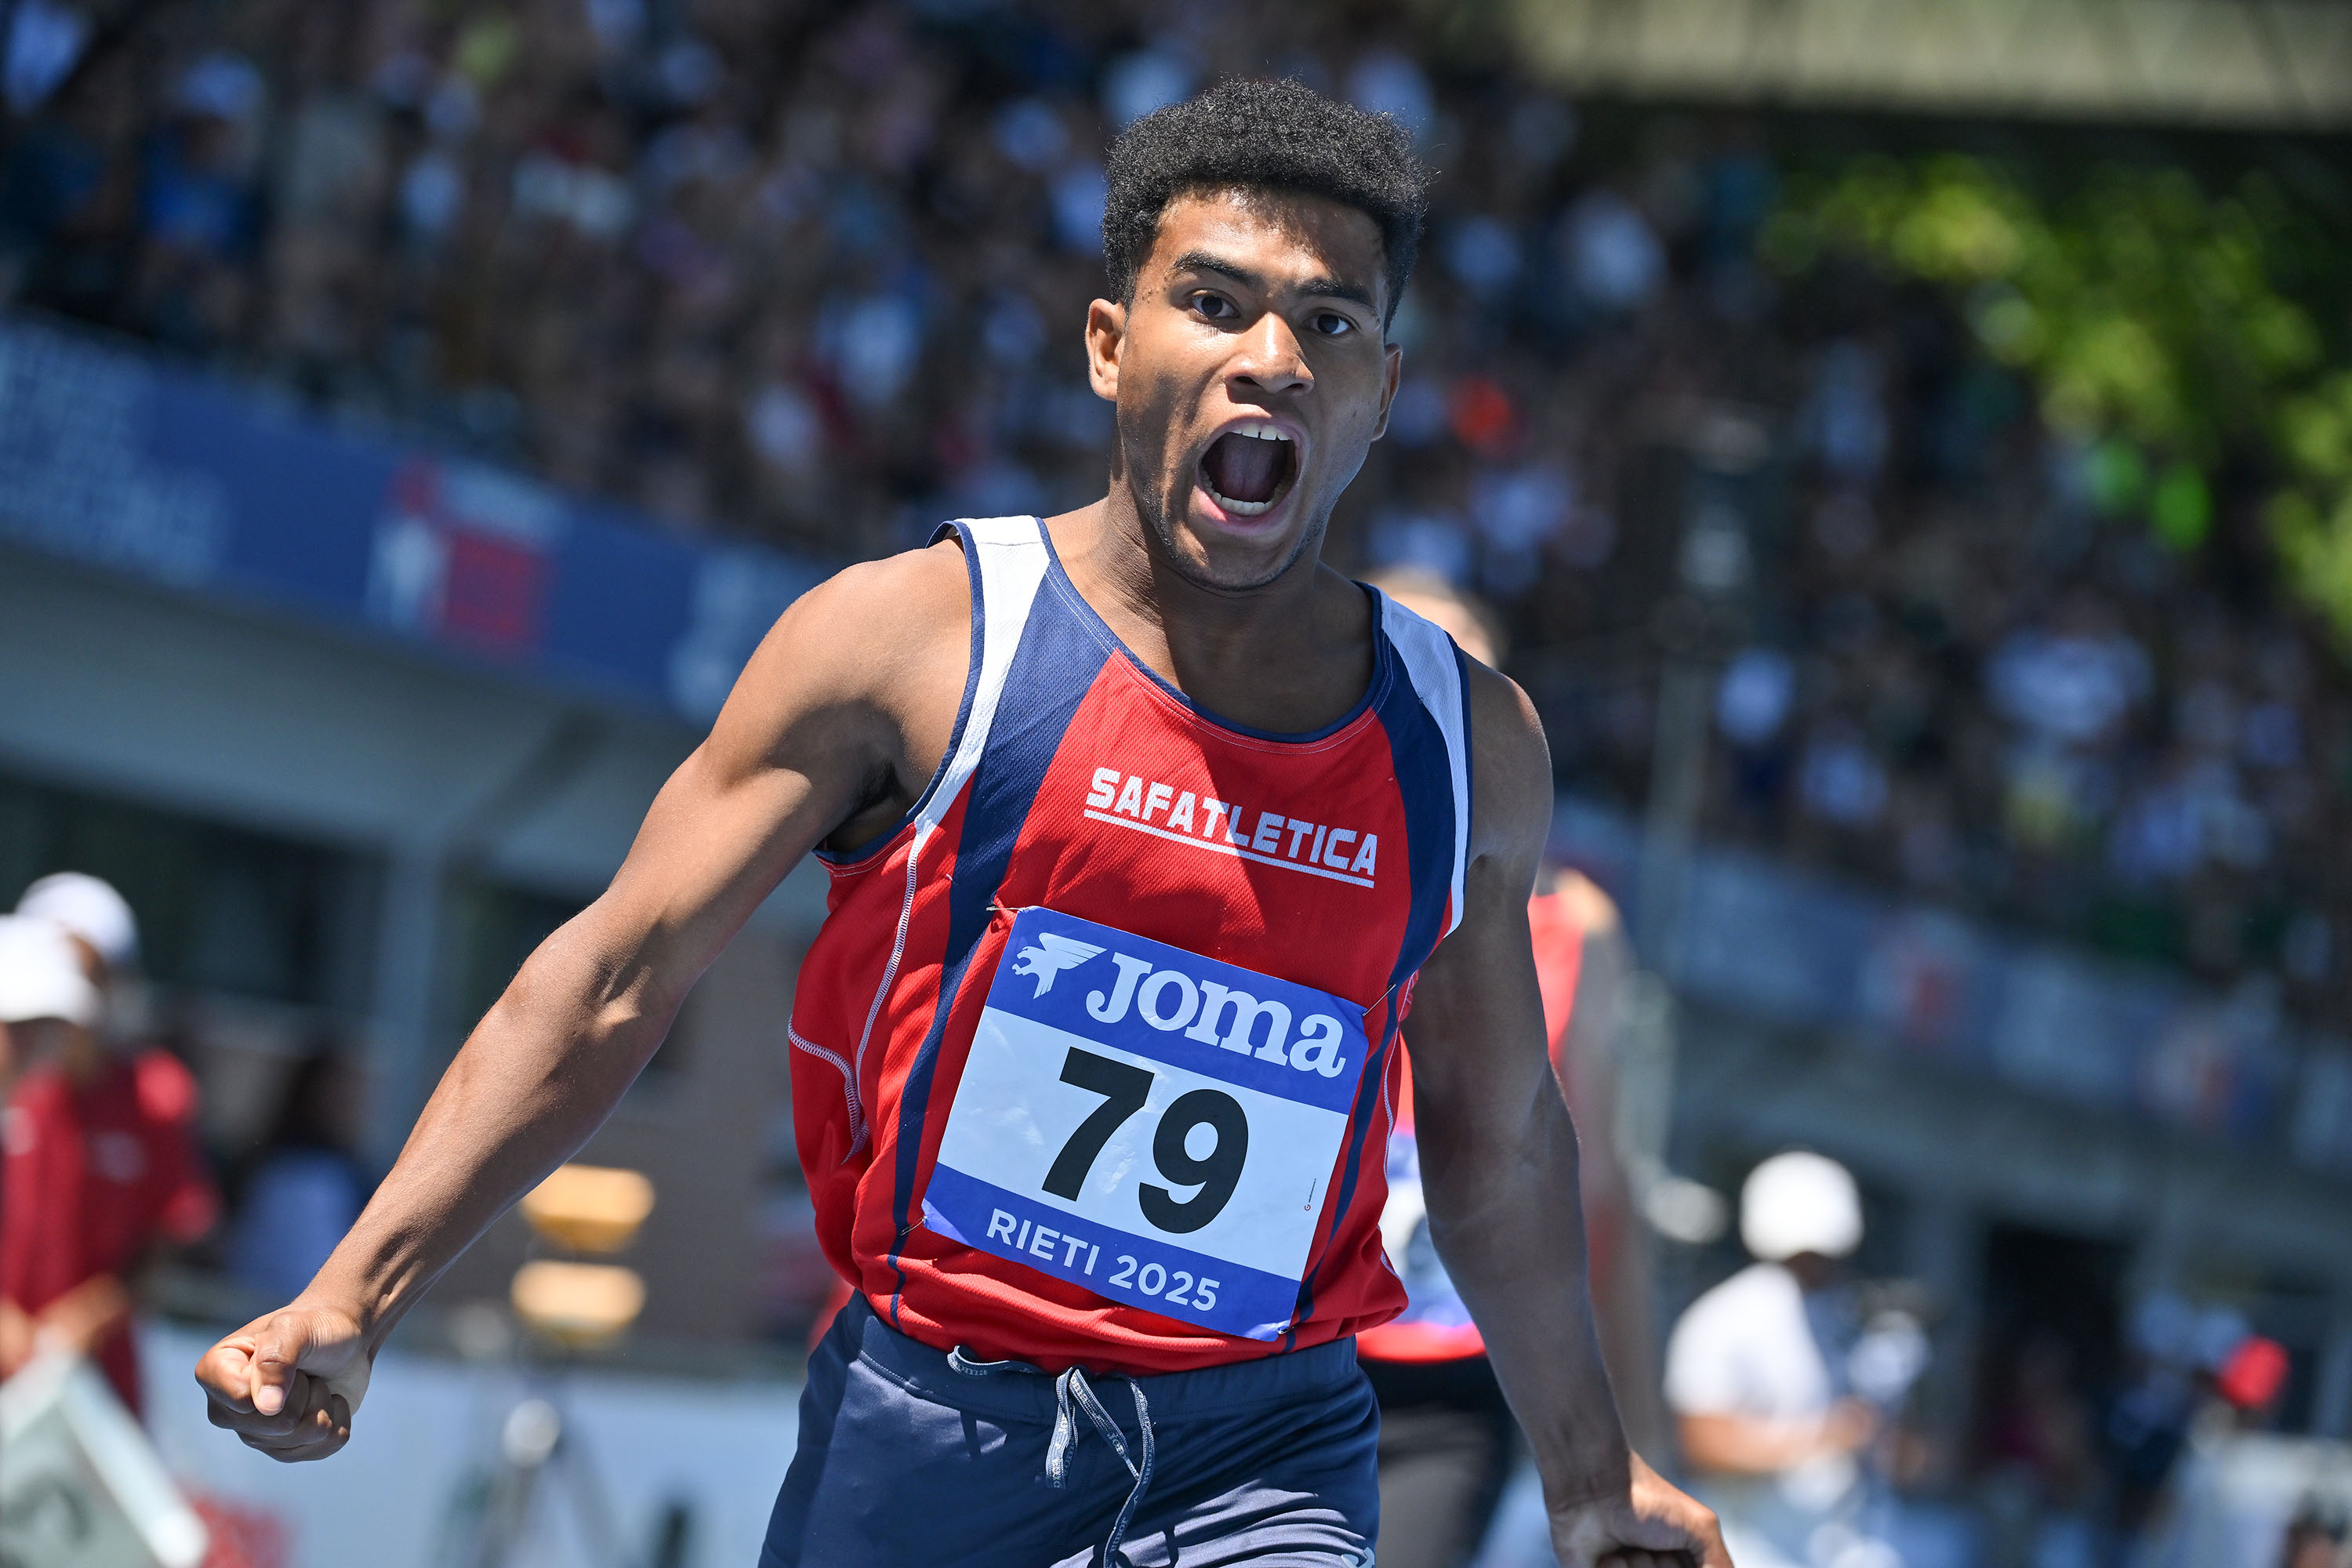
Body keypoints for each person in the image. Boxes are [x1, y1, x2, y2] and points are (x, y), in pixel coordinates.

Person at [194, 80, 1726, 1568]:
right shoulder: (910, 646)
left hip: (1267, 1449)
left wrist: (1594, 1477)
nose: (1271, 358)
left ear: (1381, 395)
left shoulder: (1467, 745)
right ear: (1109, 344)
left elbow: (1497, 1133)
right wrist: (356, 1293)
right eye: (1215, 302)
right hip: (929, 1431)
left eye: (1328, 324)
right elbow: (612, 979)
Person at [1358, 569, 1661, 1568]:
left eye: (1464, 683)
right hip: (1269, 1346)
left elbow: (1602, 1190)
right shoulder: (1285, 862)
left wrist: (1632, 1439)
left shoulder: (1576, 927)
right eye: (1404, 671)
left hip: (1452, 1380)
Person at [2, 874, 217, 1417]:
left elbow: (170, 1234)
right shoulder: (17, 1084)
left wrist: (85, 1320)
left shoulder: (156, 1094)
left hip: (92, 1390)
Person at [1663, 1152, 1875, 1568]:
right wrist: (1824, 1438)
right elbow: (1701, 1442)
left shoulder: (1841, 1315)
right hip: (1747, 1548)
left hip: (1829, 1548)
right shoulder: (1726, 1317)